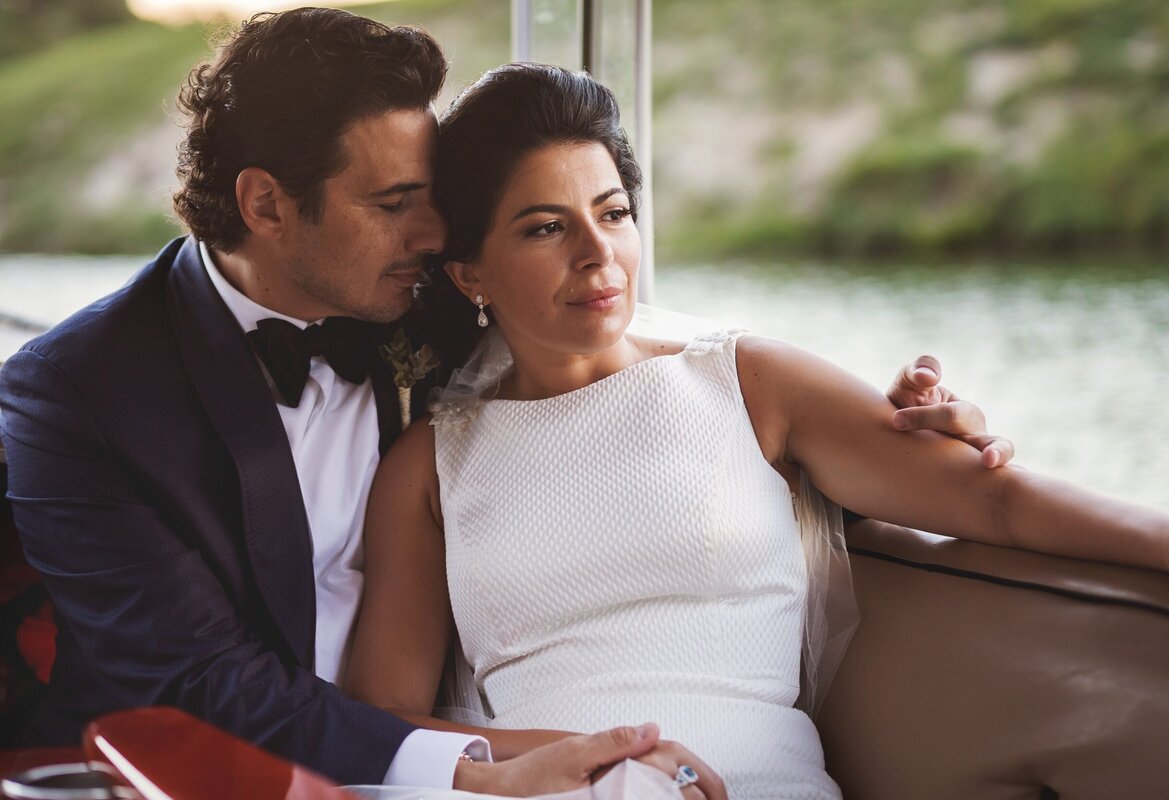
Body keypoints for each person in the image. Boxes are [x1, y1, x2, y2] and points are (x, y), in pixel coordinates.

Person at [0, 7, 1009, 795]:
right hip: (185, 772)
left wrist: (890, 436)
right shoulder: (74, 397)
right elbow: (199, 691)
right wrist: (489, 763)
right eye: (394, 203)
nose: (437, 230)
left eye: (430, 194)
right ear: (266, 204)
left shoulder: (435, 293)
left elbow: (631, 360)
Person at [346, 63, 1169, 799]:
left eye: (612, 213)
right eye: (545, 228)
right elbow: (379, 723)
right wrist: (580, 761)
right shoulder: (429, 465)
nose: (597, 256)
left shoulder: (745, 380)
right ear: (469, 274)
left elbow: (994, 501)